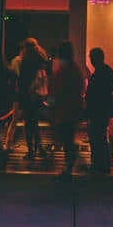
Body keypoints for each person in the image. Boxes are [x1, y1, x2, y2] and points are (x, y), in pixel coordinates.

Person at [50, 41, 85, 179]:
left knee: (67, 138)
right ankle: (69, 164)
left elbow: (57, 89)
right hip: (72, 108)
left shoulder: (63, 70)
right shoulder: (75, 69)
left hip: (63, 109)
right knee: (68, 137)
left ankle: (69, 165)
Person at [11, 37, 50, 162]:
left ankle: (32, 151)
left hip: (28, 96)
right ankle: (40, 149)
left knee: (29, 124)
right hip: (37, 96)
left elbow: (22, 80)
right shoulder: (40, 61)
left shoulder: (26, 62)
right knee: (34, 123)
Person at [85, 47, 113, 175]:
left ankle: (98, 163)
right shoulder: (108, 72)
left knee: (96, 136)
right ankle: (103, 163)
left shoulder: (97, 74)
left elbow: (91, 94)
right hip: (104, 108)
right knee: (101, 136)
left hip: (97, 109)